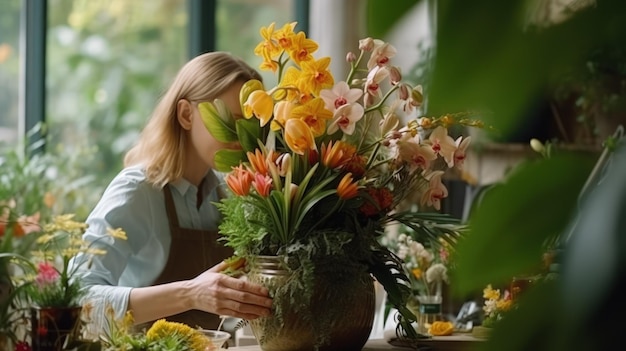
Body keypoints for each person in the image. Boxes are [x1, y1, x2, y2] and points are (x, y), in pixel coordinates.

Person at [72, 51, 273, 335]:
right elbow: (78, 301)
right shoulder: (137, 192)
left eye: (250, 126)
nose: (242, 138)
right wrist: (190, 293)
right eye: (229, 122)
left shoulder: (226, 193)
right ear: (186, 114)